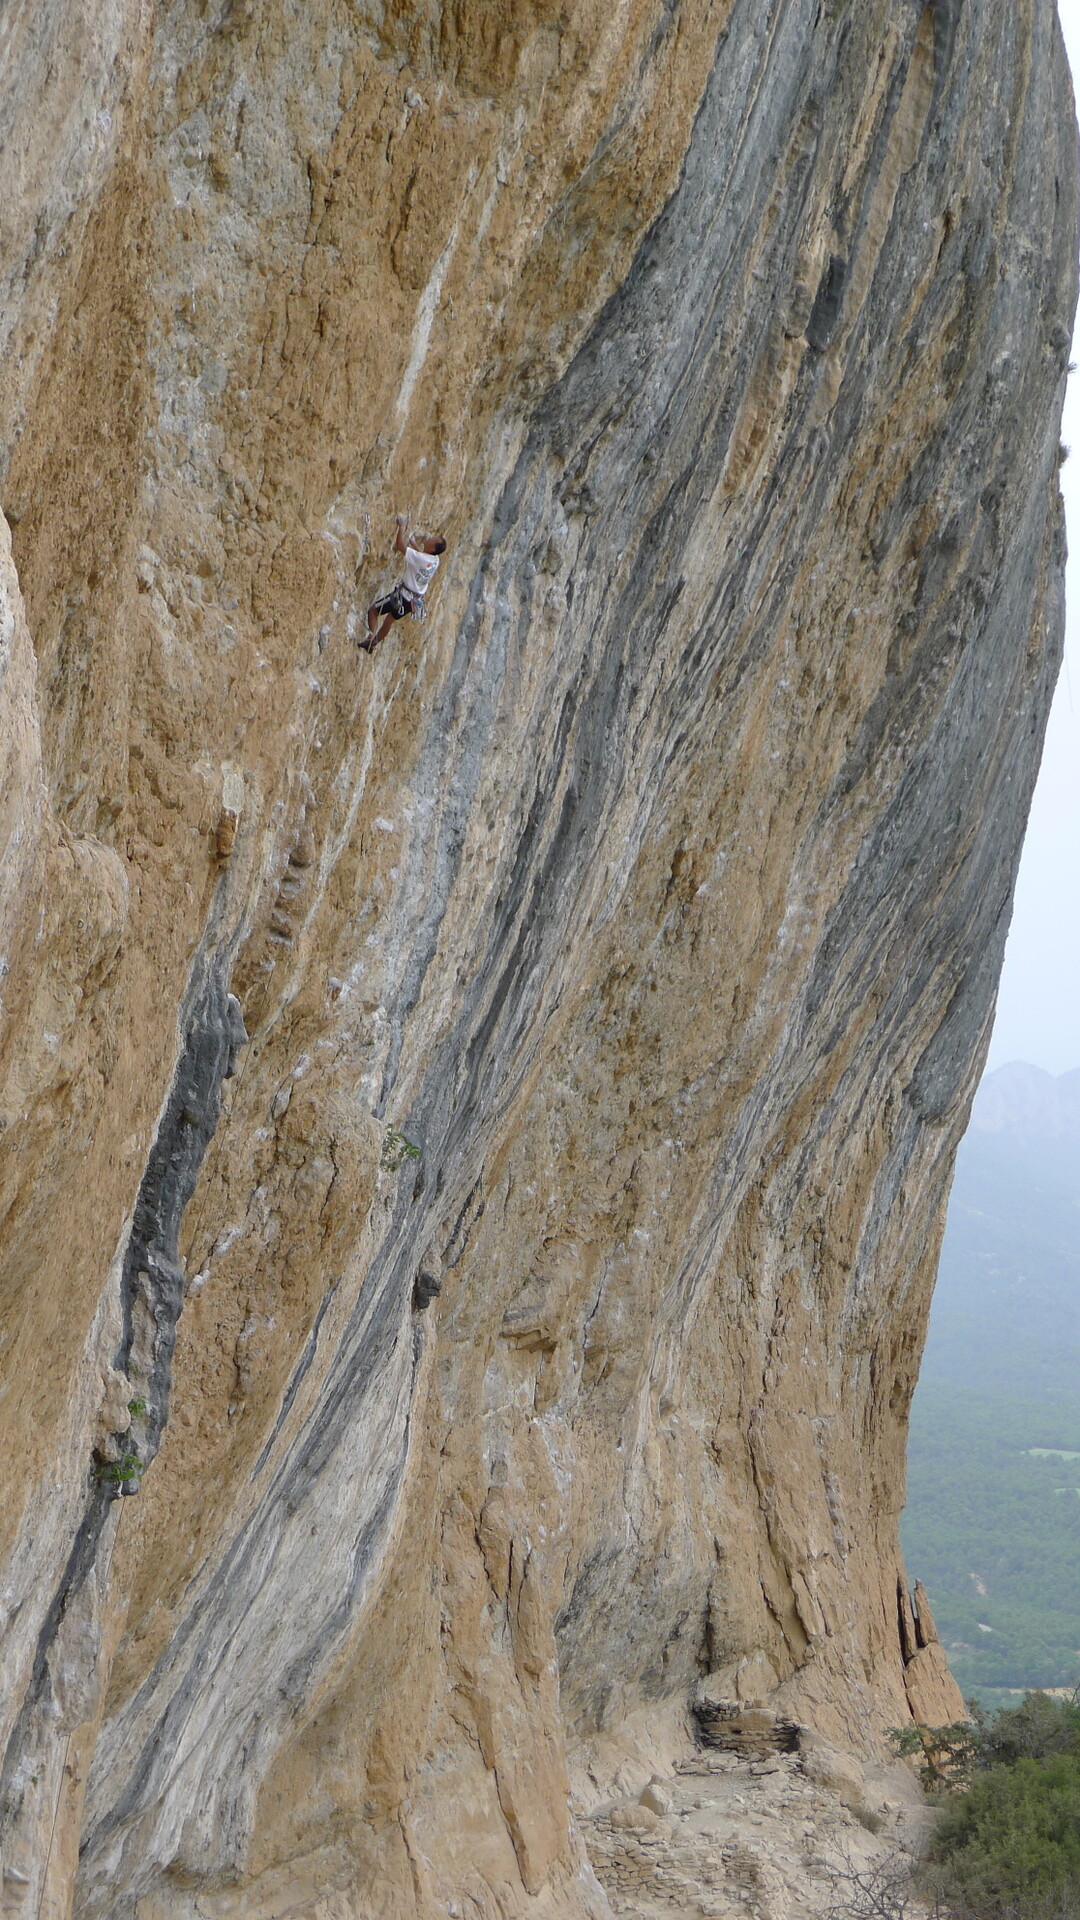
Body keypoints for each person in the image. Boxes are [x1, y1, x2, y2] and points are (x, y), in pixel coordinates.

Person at [361, 514, 446, 653]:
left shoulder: (422, 558)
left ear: (432, 548)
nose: (430, 538)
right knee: (389, 621)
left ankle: (370, 638)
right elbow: (423, 557)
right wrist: (413, 543)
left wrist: (400, 526)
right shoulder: (435, 560)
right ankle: (375, 643)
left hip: (402, 596)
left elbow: (400, 546)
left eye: (432, 540)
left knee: (373, 611)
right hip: (412, 602)